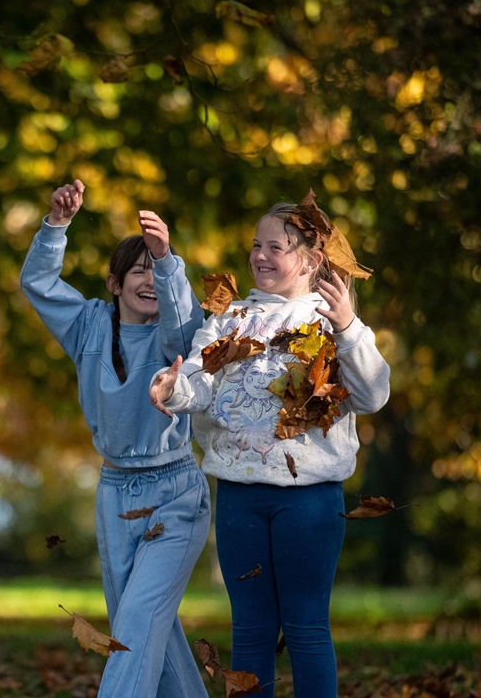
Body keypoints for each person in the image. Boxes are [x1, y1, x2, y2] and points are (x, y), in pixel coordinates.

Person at [149, 194, 390, 697]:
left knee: (305, 629)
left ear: (311, 260)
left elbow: (371, 395)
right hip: (240, 497)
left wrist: (347, 326)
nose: (260, 254)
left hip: (310, 500)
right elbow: (200, 381)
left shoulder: (333, 323)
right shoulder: (230, 318)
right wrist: (172, 387)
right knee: (251, 634)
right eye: (256, 245)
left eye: (275, 247)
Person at [20, 180, 211, 698]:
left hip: (175, 492)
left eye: (156, 269)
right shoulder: (88, 327)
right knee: (149, 630)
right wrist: (56, 224)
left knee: (136, 624)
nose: (149, 279)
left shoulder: (177, 336)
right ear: (114, 282)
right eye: (139, 269)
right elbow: (38, 282)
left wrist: (167, 257)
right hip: (114, 492)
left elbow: (184, 315)